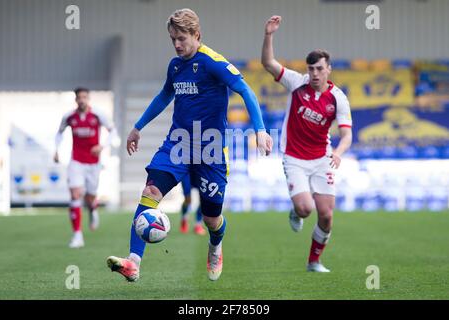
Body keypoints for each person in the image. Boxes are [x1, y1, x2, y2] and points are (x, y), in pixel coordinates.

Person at [107, 8, 272, 282]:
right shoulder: (175, 66)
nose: (177, 44)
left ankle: (215, 244)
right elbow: (164, 96)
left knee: (211, 220)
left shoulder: (213, 62)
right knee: (150, 191)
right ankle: (133, 262)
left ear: (196, 34)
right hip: (178, 144)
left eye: (181, 38)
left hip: (210, 148)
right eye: (173, 39)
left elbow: (246, 91)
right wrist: (138, 127)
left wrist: (261, 130)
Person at [261, 16, 353, 272]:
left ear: (328, 69)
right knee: (305, 209)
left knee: (326, 215)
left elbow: (347, 135)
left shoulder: (338, 99)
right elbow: (268, 63)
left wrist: (338, 152)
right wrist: (269, 35)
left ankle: (314, 261)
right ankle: (296, 211)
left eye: (319, 69)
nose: (314, 74)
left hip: (322, 159)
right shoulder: (296, 82)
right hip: (294, 158)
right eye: (311, 69)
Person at [54, 87, 117, 248]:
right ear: (76, 100)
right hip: (76, 161)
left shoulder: (98, 114)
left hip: (93, 163)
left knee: (90, 196)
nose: (82, 100)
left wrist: (102, 146)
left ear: (88, 99)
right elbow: (59, 133)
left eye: (84, 97)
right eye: (79, 97)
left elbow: (113, 132)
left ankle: (93, 208)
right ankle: (77, 235)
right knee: (75, 194)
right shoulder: (69, 116)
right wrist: (56, 150)